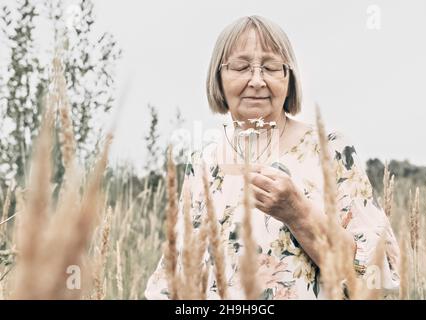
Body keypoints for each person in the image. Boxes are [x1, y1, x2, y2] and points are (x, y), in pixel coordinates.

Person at [145, 15, 399, 300]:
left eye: (270, 67)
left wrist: (298, 213)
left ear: (289, 79)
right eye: (241, 67)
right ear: (218, 78)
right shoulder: (203, 163)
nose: (256, 81)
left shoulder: (330, 149)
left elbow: (377, 277)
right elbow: (175, 277)